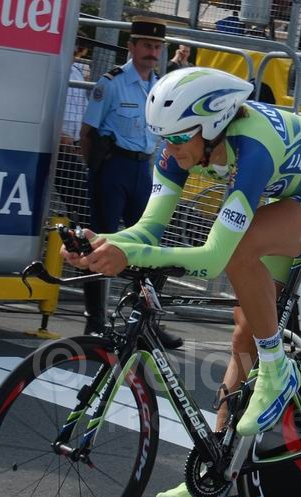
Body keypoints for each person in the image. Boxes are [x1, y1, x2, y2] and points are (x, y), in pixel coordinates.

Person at [64, 67, 301, 497]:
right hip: (291, 201)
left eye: (174, 139)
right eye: (162, 139)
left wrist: (130, 257)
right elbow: (149, 228)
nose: (166, 150)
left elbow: (214, 257)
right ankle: (212, 470)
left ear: (210, 126)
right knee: (242, 336)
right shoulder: (183, 147)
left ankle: (278, 368)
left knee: (238, 249)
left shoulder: (252, 147)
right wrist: (105, 244)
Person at [79, 17, 183, 348]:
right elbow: (87, 132)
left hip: (143, 171)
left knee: (150, 249)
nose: (152, 53)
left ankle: (145, 323)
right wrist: (97, 172)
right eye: (146, 46)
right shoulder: (111, 83)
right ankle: (94, 321)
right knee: (100, 243)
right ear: (132, 46)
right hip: (113, 169)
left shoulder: (161, 87)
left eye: (157, 47)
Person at [55, 33, 90, 218]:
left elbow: (82, 108)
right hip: (57, 148)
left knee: (81, 203)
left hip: (73, 147)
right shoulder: (54, 68)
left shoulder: (76, 70)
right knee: (81, 202)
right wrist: (59, 135)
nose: (77, 49)